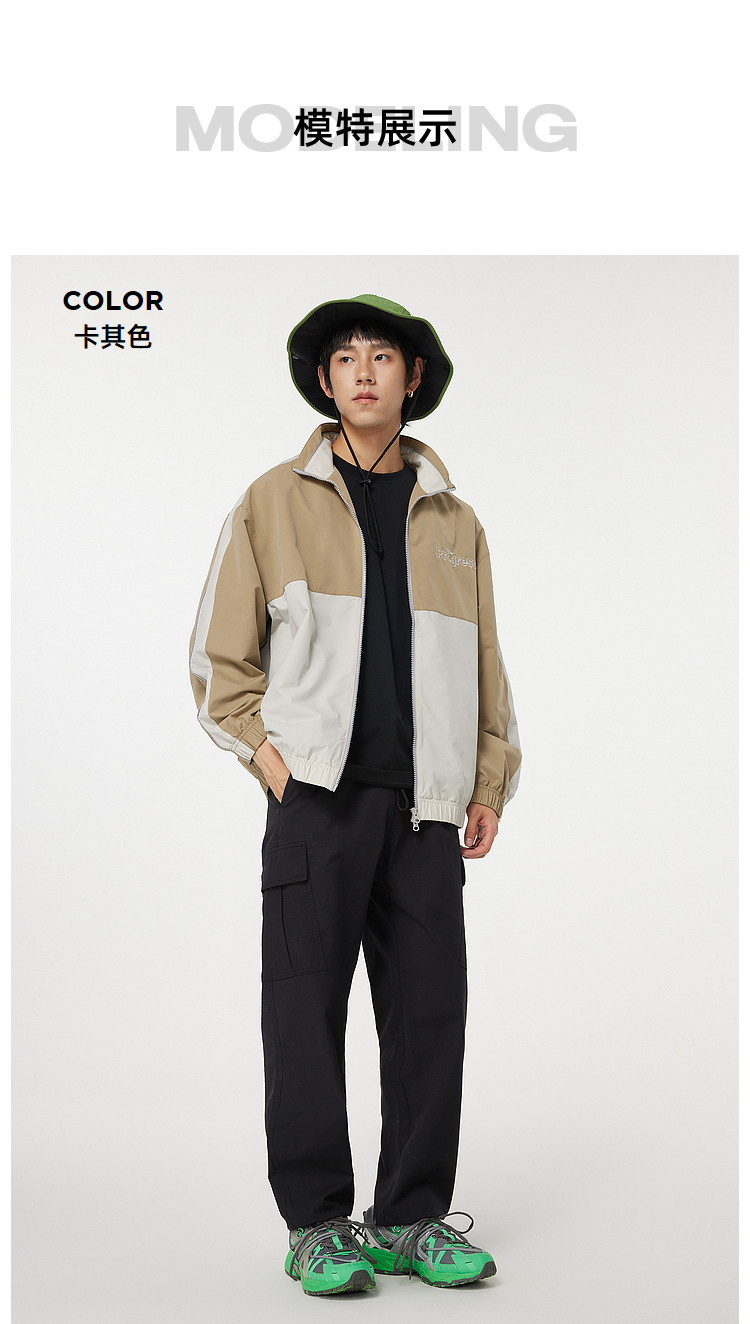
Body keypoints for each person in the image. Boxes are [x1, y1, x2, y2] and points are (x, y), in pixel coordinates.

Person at [189, 293, 522, 1296]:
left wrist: (488, 780)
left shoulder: (455, 520)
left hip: (426, 809)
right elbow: (219, 664)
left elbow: (487, 665)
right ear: (325, 381)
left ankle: (411, 1217)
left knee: (430, 1013)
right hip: (319, 805)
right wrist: (273, 766)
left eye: (384, 356)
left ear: (414, 377)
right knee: (304, 1013)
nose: (365, 371)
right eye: (346, 358)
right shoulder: (272, 502)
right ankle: (318, 1225)